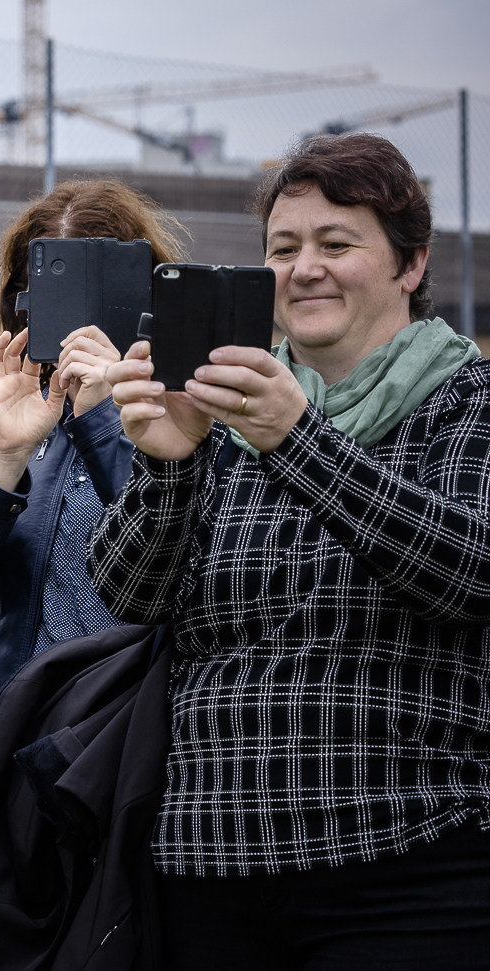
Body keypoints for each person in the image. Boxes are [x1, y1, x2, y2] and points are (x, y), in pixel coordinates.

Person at [92, 133, 490, 968]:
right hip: (210, 861)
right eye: (283, 248)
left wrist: (298, 438)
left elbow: (469, 572)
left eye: (336, 244)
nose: (305, 268)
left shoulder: (466, 401)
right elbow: (129, 594)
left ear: (412, 263)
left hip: (409, 858)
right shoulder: (223, 404)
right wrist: (170, 462)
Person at [0, 179, 187, 742]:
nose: (69, 322)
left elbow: (174, 569)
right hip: (15, 726)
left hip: (135, 730)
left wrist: (104, 420)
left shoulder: (183, 412)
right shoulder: (8, 415)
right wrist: (6, 459)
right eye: (41, 288)